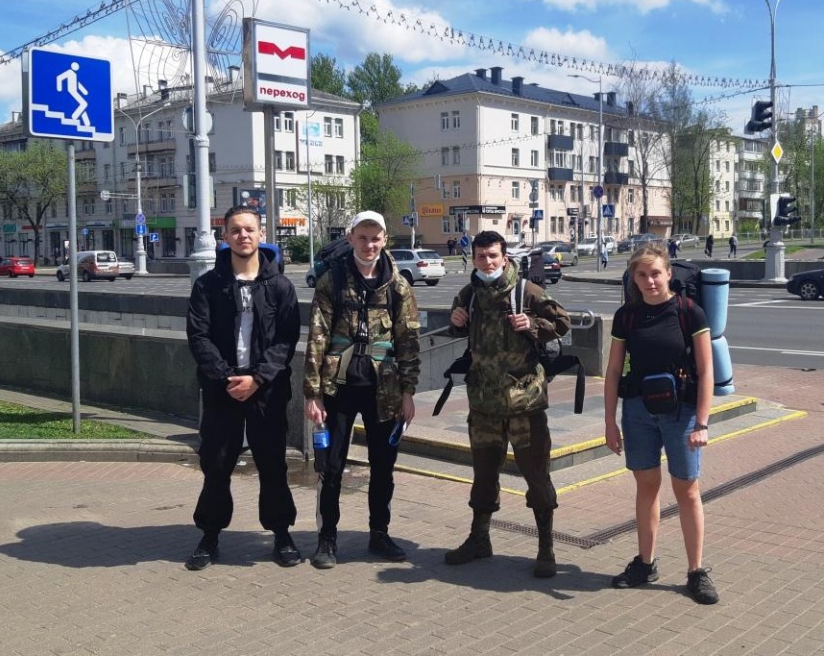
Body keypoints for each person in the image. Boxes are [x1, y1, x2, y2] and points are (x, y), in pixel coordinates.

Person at [444, 231, 571, 578]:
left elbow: (562, 322)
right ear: (473, 258)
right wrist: (456, 323)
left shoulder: (526, 291)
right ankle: (479, 539)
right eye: (481, 256)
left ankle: (546, 548)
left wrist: (533, 323)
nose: (487, 262)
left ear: (504, 257)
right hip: (484, 405)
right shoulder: (469, 295)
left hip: (524, 405)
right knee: (483, 476)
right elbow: (461, 330)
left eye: (493, 256)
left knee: (536, 476)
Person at [185, 206, 302, 571]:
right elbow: (198, 336)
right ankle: (209, 535)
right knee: (216, 463)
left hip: (267, 390)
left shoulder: (280, 286)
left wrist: (258, 378)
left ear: (261, 234)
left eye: (249, 229)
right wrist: (226, 378)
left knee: (272, 463)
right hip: (222, 389)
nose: (243, 236)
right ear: (225, 237)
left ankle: (281, 534)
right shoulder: (208, 285)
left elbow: (286, 339)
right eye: (235, 230)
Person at [304, 210, 420, 569]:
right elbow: (317, 337)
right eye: (363, 237)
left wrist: (408, 392)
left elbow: (408, 341)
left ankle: (379, 534)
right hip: (338, 388)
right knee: (331, 467)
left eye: (376, 238)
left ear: (384, 240)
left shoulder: (398, 286)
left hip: (384, 391)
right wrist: (313, 393)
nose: (370, 245)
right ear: (351, 238)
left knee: (383, 466)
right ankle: (327, 538)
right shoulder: (333, 280)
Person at [603, 244, 718, 605]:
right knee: (647, 486)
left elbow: (706, 370)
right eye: (642, 275)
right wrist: (609, 422)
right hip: (638, 412)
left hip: (681, 413)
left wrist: (702, 422)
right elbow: (613, 371)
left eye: (655, 273)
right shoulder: (627, 316)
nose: (650, 281)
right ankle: (645, 562)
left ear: (668, 273)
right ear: (633, 279)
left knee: (687, 490)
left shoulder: (688, 311)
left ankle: (696, 571)